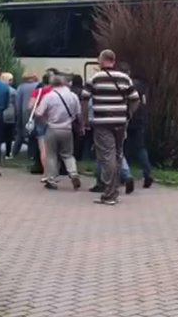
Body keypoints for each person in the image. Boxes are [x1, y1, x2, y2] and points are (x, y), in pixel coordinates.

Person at [81, 49, 140, 206]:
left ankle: (109, 194)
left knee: (107, 157)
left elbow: (85, 98)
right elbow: (135, 99)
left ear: (102, 60)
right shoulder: (125, 78)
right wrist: (128, 114)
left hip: (102, 123)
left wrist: (85, 119)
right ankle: (114, 192)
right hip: (121, 123)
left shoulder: (95, 78)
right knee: (118, 155)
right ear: (113, 61)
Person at [35, 74, 82, 191]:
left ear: (51, 84)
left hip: (52, 128)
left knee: (51, 155)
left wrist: (46, 119)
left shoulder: (49, 96)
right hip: (67, 129)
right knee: (68, 154)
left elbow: (39, 113)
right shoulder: (73, 96)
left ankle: (51, 179)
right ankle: (73, 173)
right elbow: (78, 113)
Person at [118, 62, 154, 189]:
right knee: (140, 148)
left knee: (122, 149)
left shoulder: (122, 85)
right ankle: (147, 173)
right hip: (140, 120)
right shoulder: (141, 85)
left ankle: (123, 176)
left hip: (126, 119)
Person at [13, 73, 40, 166]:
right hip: (36, 111)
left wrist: (17, 113)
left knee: (21, 133)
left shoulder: (21, 87)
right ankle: (32, 154)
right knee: (34, 133)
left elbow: (18, 101)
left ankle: (14, 152)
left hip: (24, 111)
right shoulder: (38, 85)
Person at [0, 72, 17, 160]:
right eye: (10, 80)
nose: (12, 81)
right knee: (9, 135)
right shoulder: (13, 91)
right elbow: (16, 103)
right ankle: (8, 152)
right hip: (10, 113)